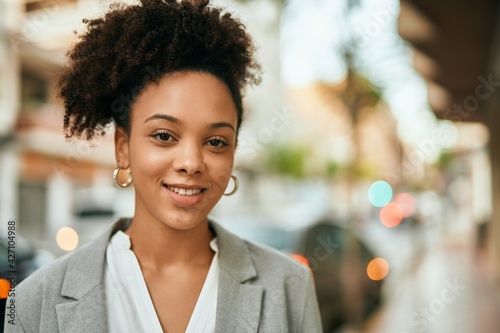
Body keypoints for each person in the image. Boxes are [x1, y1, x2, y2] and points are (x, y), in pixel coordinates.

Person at [4, 0, 322, 332]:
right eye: (164, 135)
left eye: (216, 141)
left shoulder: (289, 286)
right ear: (123, 148)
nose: (191, 163)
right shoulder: (33, 304)